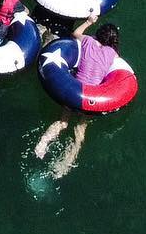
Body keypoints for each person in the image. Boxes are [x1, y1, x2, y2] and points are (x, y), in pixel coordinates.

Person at [34, 22, 121, 179]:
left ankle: (42, 145)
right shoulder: (112, 54)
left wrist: (89, 22)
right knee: (80, 130)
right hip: (92, 99)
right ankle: (65, 164)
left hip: (74, 92)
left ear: (98, 33)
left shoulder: (87, 40)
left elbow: (75, 32)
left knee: (63, 122)